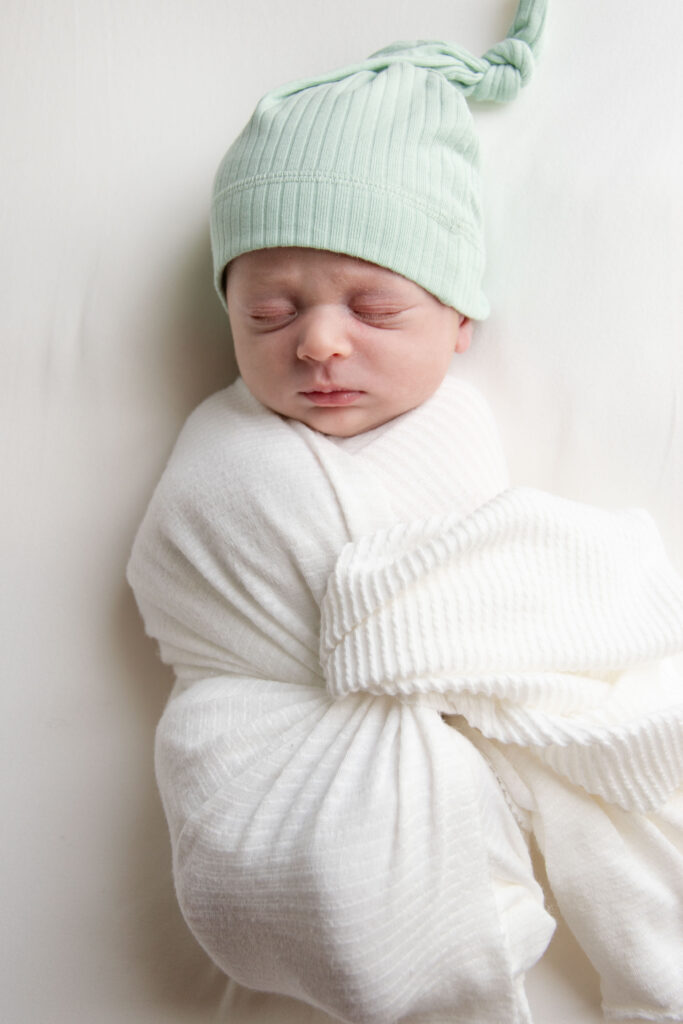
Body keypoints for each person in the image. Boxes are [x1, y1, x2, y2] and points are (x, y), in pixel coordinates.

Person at [127, 1, 683, 1021]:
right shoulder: (223, 449)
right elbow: (177, 576)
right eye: (269, 312)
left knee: (600, 772)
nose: (320, 344)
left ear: (459, 320)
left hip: (443, 729)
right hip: (264, 753)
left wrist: (457, 628)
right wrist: (384, 625)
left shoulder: (457, 436)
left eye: (374, 308)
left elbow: (503, 605)